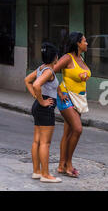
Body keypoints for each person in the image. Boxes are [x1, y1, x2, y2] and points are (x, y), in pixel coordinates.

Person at [54, 32, 91, 178]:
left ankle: (61, 165)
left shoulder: (80, 58)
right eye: (84, 41)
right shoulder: (67, 58)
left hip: (78, 99)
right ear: (78, 43)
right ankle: (69, 164)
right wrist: (59, 91)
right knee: (78, 129)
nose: (87, 43)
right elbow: (50, 72)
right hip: (66, 97)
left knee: (68, 133)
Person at [24, 42, 62, 183]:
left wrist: (36, 97)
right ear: (55, 58)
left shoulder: (41, 68)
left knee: (37, 141)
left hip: (38, 107)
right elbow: (35, 84)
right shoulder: (48, 71)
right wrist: (42, 101)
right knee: (45, 143)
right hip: (45, 107)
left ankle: (37, 171)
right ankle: (45, 175)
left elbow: (27, 80)